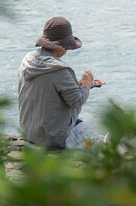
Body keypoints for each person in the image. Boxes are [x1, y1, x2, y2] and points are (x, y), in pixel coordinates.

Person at [18, 16, 95, 149]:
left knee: (80, 123)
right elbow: (77, 101)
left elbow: (46, 86)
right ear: (61, 46)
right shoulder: (60, 69)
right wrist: (87, 85)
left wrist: (74, 84)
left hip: (29, 133)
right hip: (52, 138)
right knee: (96, 130)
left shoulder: (28, 60)